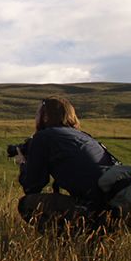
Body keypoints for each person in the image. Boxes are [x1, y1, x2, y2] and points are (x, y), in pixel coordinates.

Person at [14, 96, 116, 231]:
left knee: (27, 204)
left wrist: (23, 163)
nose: (35, 118)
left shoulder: (44, 137)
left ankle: (66, 244)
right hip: (116, 212)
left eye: (38, 113)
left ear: (45, 117)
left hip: (92, 212)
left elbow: (32, 186)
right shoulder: (84, 136)